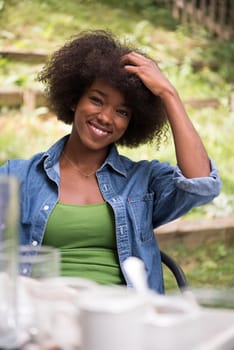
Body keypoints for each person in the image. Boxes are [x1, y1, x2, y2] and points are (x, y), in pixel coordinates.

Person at [0, 29, 221, 293]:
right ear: (74, 100)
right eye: (96, 100)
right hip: (46, 314)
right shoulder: (20, 176)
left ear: (132, 121)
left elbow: (201, 184)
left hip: (121, 317)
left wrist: (168, 94)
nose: (106, 117)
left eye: (122, 112)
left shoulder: (142, 181)